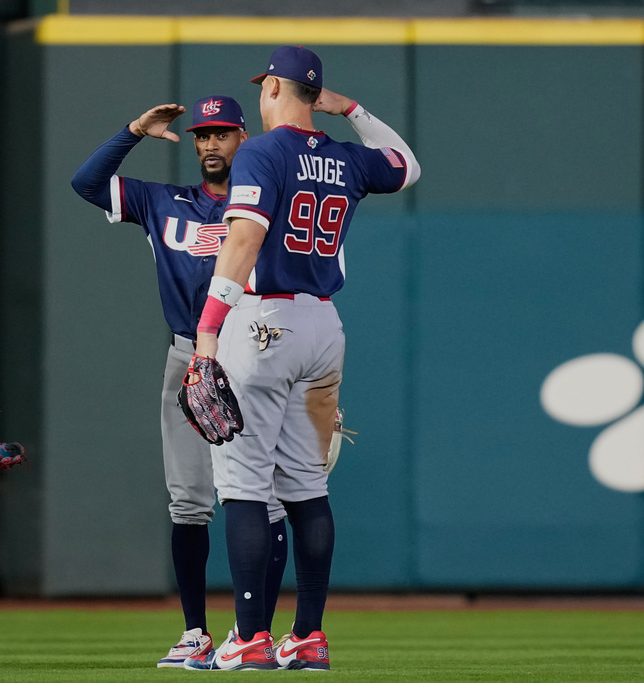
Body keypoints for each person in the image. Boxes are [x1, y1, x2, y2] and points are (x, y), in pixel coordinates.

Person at [182, 47, 421, 671]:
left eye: (266, 86)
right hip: (323, 325)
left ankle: (251, 638)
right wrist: (355, 111)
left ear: (275, 90)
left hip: (263, 321)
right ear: (319, 96)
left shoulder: (262, 150)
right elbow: (408, 165)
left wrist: (208, 330)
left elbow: (243, 238)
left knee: (241, 487)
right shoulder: (344, 156)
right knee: (307, 488)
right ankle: (308, 635)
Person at [71, 96, 291, 668]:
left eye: (221, 134)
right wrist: (134, 131)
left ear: (243, 138)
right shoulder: (162, 201)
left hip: (254, 353)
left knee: (264, 501)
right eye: (201, 135)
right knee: (189, 504)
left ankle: (255, 634)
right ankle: (196, 632)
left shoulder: (268, 201)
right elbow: (86, 182)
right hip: (189, 356)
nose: (209, 144)